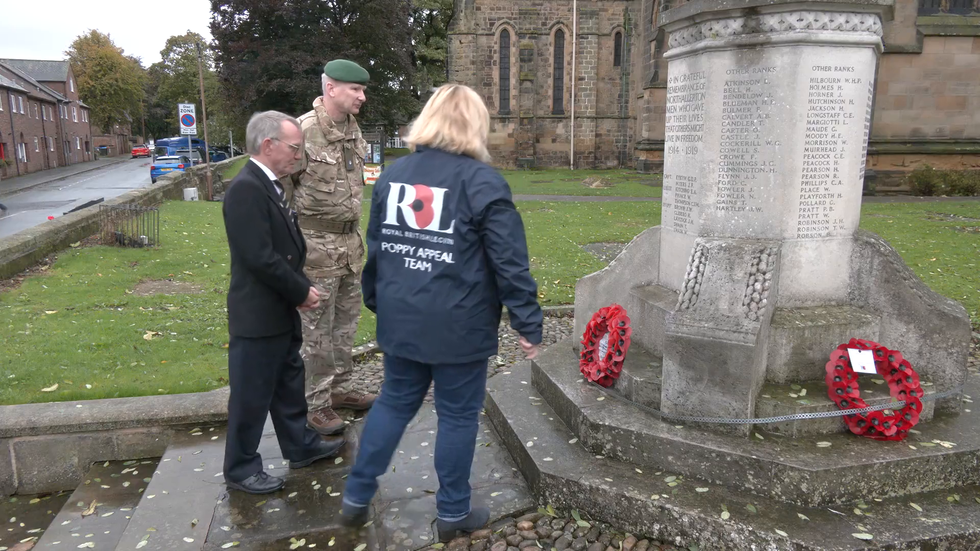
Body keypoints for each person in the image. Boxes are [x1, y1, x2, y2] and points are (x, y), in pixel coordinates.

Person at [340, 84, 543, 542]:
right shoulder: (483, 182)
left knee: (394, 401)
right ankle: (453, 511)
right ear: (475, 125)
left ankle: (356, 493)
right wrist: (528, 323)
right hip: (459, 323)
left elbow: (380, 249)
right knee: (456, 415)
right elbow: (510, 263)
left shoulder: (394, 176)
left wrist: (380, 302)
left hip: (403, 316)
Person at [222, 111, 344, 495]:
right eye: (295, 147)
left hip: (277, 310)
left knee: (288, 383)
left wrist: (297, 287)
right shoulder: (246, 188)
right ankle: (241, 468)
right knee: (251, 394)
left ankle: (300, 446)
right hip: (257, 314)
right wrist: (300, 290)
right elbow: (259, 256)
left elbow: (283, 249)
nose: (299, 155)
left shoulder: (270, 184)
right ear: (268, 145)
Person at [290, 59, 376, 437]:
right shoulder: (303, 132)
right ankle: (316, 403)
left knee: (344, 326)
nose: (362, 95)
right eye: (355, 89)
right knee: (315, 331)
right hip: (314, 249)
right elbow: (281, 194)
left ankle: (341, 389)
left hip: (349, 246)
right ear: (331, 89)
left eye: (362, 89)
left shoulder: (353, 131)